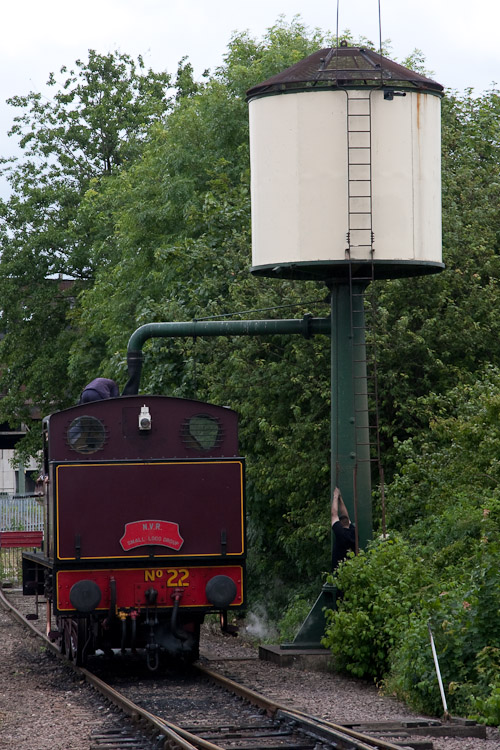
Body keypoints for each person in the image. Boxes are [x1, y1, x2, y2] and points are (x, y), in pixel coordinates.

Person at [331, 486, 356, 569]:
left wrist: (335, 496)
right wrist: (340, 499)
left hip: (339, 572)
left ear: (340, 524)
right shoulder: (353, 533)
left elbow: (334, 514)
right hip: (352, 569)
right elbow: (345, 516)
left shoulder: (341, 534)